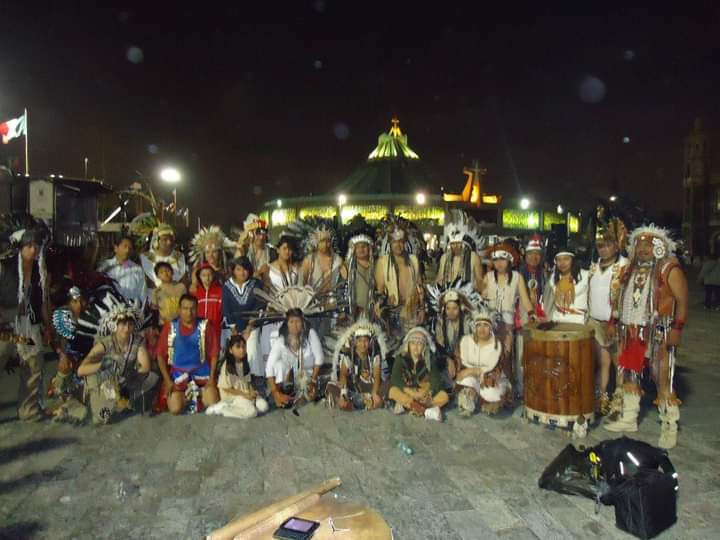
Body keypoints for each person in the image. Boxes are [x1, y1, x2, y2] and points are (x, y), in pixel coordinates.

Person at [603, 226, 689, 450]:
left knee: (662, 376)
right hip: (632, 330)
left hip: (659, 330)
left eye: (648, 245)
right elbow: (618, 299)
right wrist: (613, 322)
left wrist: (677, 328)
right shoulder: (629, 269)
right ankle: (629, 418)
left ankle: (669, 425)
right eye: (638, 245)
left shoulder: (669, 268)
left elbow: (682, 300)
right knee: (630, 373)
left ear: (660, 247)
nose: (642, 249)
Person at [77, 300, 157, 424]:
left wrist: (126, 379)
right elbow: (81, 370)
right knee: (102, 417)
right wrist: (104, 365)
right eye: (123, 324)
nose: (126, 328)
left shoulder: (137, 340)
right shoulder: (105, 343)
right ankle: (91, 402)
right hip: (103, 381)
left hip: (124, 380)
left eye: (130, 324)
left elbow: (145, 367)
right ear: (114, 325)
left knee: (152, 378)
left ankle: (123, 400)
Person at [0, 223, 50, 421]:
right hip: (6, 323)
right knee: (2, 353)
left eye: (36, 245)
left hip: (28, 327)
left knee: (33, 361)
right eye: (29, 245)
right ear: (21, 248)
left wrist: (48, 327)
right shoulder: (5, 268)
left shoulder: (41, 272)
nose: (33, 249)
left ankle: (28, 410)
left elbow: (44, 302)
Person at [587, 218, 629, 415]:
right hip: (595, 322)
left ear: (616, 245)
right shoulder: (594, 267)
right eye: (600, 246)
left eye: (607, 245)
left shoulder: (624, 266)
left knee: (618, 363)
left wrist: (616, 320)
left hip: (615, 323)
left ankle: (619, 401)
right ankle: (601, 398)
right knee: (601, 362)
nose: (603, 249)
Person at [156, 294, 220, 414]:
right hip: (178, 375)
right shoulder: (170, 327)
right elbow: (160, 356)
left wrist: (211, 379)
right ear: (179, 309)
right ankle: (189, 398)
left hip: (202, 373)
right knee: (175, 409)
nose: (189, 312)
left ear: (197, 309)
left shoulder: (205, 326)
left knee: (213, 403)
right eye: (185, 308)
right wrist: (167, 380)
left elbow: (214, 354)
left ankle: (198, 395)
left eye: (192, 308)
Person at [482, 243, 536, 383]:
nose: (499, 263)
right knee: (489, 354)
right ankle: (490, 386)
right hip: (489, 323)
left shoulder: (517, 277)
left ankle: (507, 389)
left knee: (506, 355)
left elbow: (525, 299)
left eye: (502, 259)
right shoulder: (488, 277)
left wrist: (531, 313)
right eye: (496, 260)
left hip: (507, 323)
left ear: (510, 260)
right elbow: (480, 298)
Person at [456, 308, 511, 416]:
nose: (482, 329)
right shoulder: (466, 341)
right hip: (473, 376)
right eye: (479, 325)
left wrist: (473, 370)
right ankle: (470, 397)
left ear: (491, 328)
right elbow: (463, 364)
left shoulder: (496, 345)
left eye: (485, 325)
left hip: (491, 378)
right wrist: (472, 372)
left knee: (491, 392)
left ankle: (486, 399)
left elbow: (491, 368)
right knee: (466, 381)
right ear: (474, 327)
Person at [265, 308, 324, 409]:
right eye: (291, 322)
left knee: (310, 396)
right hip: (288, 378)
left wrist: (313, 381)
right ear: (287, 324)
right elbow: (269, 367)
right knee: (279, 365)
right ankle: (280, 394)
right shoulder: (281, 340)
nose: (295, 325)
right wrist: (275, 392)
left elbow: (319, 358)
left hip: (309, 376)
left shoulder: (310, 334)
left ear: (302, 322)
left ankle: (297, 395)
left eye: (297, 321)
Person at [325, 318, 388, 410]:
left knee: (386, 385)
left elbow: (377, 376)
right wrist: (343, 393)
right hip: (352, 389)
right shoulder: (348, 356)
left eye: (365, 341)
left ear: (370, 342)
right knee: (331, 386)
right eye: (360, 341)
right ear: (355, 342)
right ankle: (352, 403)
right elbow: (343, 375)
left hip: (369, 388)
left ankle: (360, 403)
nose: (363, 344)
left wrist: (374, 393)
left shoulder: (374, 356)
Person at [375, 218, 424, 334]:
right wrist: (382, 305)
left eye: (401, 241)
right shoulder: (383, 262)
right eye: (394, 241)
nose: (398, 245)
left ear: (405, 242)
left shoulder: (413, 260)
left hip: (411, 310)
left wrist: (422, 309)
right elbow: (379, 290)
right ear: (390, 243)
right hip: (391, 312)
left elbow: (420, 287)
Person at [388, 326, 447, 421]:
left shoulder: (429, 359)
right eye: (413, 343)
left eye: (419, 344)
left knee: (444, 396)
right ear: (408, 345)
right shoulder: (400, 358)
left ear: (424, 347)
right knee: (393, 391)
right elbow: (395, 378)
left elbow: (436, 381)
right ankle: (426, 412)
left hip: (423, 392)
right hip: (407, 391)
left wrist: (428, 394)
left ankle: (409, 406)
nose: (416, 347)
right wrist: (410, 392)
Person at [205, 335, 269, 418]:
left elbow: (248, 383)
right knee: (252, 412)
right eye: (238, 347)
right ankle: (223, 409)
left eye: (243, 346)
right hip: (232, 397)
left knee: (264, 407)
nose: (242, 350)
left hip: (245, 394)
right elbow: (226, 388)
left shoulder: (245, 363)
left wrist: (252, 391)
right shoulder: (227, 365)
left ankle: (244, 407)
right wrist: (245, 395)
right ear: (231, 350)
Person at [435, 210, 483, 292]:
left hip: (467, 295)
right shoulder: (444, 257)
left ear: (464, 244)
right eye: (453, 244)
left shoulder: (473, 257)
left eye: (458, 243)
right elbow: (439, 278)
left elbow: (479, 280)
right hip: (448, 295)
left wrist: (473, 291)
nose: (455, 246)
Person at [544, 246, 590, 325]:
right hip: (557, 320)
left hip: (578, 321)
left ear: (573, 260)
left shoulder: (586, 275)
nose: (562, 263)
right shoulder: (553, 278)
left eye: (566, 259)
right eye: (559, 260)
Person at [343, 221, 377, 320]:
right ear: (353, 249)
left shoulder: (376, 266)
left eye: (364, 246)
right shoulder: (347, 267)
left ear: (370, 248)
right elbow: (342, 290)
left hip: (374, 312)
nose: (361, 250)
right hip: (354, 312)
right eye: (358, 247)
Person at [97, 236, 147, 303]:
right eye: (125, 246)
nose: (127, 250)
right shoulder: (104, 266)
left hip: (132, 309)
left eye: (130, 248)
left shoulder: (138, 270)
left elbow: (142, 294)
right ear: (116, 248)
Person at [140, 223, 187, 287]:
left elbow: (183, 280)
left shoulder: (179, 256)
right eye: (165, 239)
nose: (169, 242)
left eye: (171, 239)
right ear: (156, 241)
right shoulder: (145, 257)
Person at [189, 226, 232, 291]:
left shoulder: (227, 270)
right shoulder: (197, 270)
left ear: (220, 253)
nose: (210, 255)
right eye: (207, 252)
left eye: (214, 251)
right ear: (204, 255)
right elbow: (193, 289)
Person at [235, 214, 276, 278]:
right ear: (251, 233)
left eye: (264, 233)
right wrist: (259, 272)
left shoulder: (272, 252)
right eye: (258, 233)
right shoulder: (244, 250)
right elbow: (238, 275)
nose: (261, 237)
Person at [518, 234, 547, 321]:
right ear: (525, 255)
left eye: (537, 254)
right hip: (521, 317)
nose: (534, 257)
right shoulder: (517, 274)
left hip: (542, 316)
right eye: (530, 253)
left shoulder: (545, 274)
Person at [192, 263, 223, 341]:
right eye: (204, 275)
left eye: (209, 274)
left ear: (213, 275)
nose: (207, 278)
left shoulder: (220, 291)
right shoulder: (195, 293)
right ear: (199, 277)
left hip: (216, 329)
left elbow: (223, 311)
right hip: (199, 330)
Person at [151, 261, 187, 326]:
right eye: (161, 272)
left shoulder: (181, 287)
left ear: (172, 272)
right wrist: (155, 326)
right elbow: (154, 310)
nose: (165, 273)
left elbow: (187, 305)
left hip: (181, 323)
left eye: (167, 270)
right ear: (158, 276)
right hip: (164, 324)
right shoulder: (157, 291)